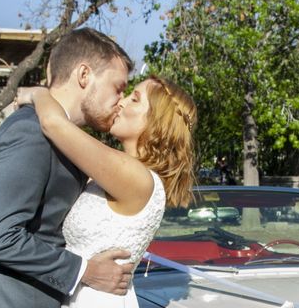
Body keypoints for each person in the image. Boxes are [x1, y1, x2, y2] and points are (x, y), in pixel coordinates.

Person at [0, 28, 136, 308]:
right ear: (84, 75)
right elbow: (1, 236)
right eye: (118, 87)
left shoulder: (64, 140)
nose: (120, 100)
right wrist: (85, 271)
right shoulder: (30, 133)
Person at [16, 74, 196, 307]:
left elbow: (53, 123)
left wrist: (36, 93)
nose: (121, 101)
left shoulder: (135, 176)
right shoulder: (116, 174)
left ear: (156, 122)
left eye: (134, 99)